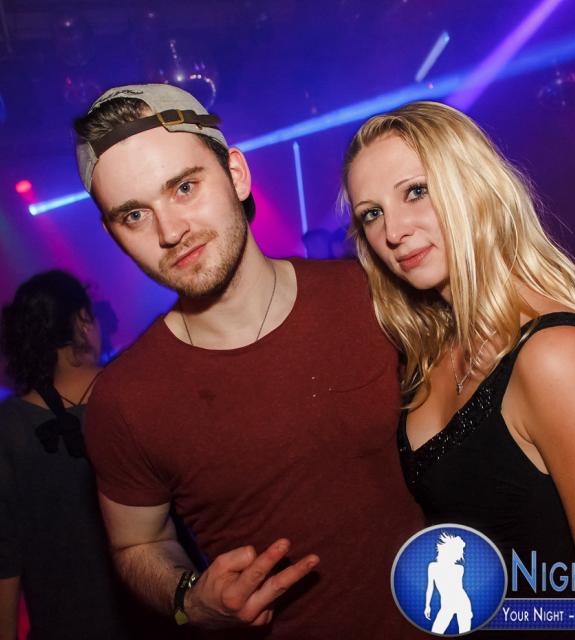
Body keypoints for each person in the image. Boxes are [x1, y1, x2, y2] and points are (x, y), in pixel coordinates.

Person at [72, 84, 425, 639]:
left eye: (184, 187)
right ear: (114, 234)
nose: (170, 232)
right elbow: (138, 542)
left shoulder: (376, 295)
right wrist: (189, 598)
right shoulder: (124, 400)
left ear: (236, 174)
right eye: (134, 215)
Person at [342, 101, 575, 639]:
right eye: (371, 214)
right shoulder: (431, 354)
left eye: (416, 191)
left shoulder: (556, 356)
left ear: (473, 185)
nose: (394, 231)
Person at [0, 270, 133, 640]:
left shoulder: (9, 427)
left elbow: (5, 554)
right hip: (157, 619)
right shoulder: (134, 393)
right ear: (82, 320)